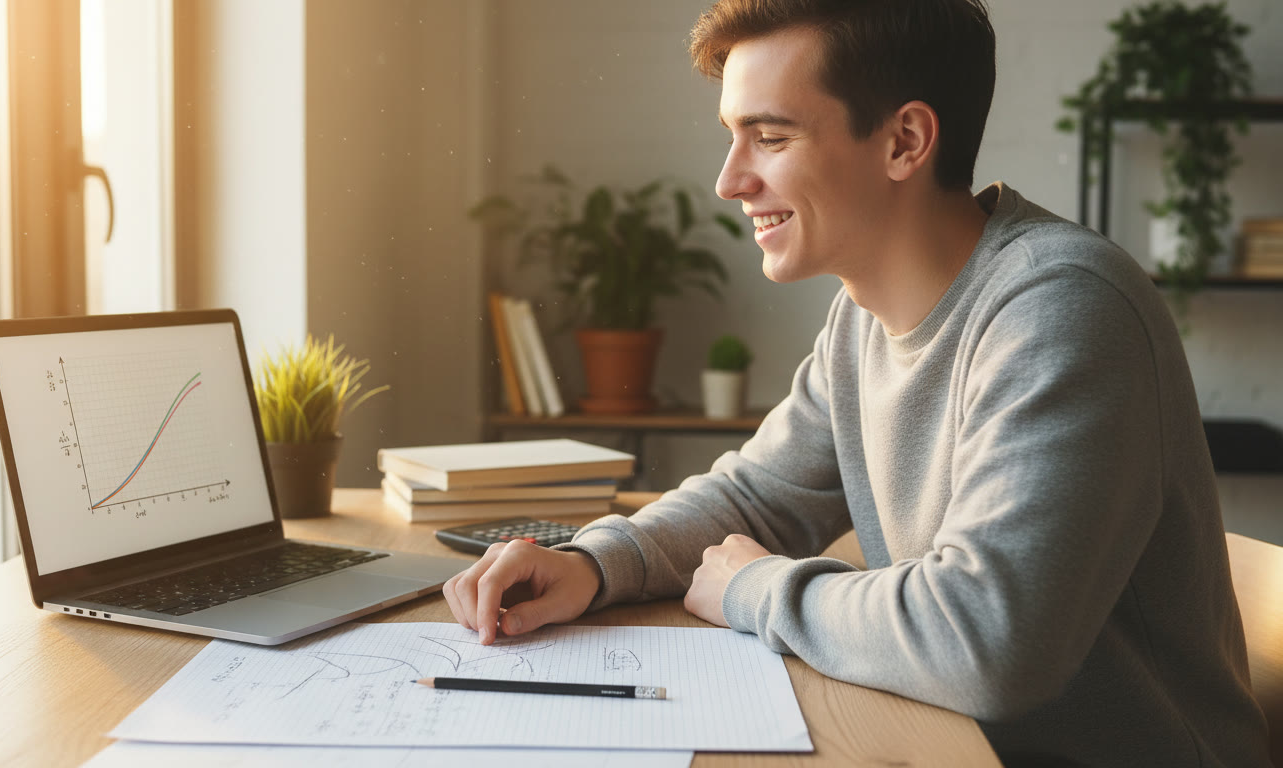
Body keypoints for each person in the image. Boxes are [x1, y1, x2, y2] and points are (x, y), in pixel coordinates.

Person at [443, 1, 1271, 764]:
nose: (730, 181)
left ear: (905, 141)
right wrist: (592, 563)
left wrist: (757, 588)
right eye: (733, 135)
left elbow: (988, 642)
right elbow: (758, 499)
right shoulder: (860, 321)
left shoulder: (1063, 310)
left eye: (770, 137)